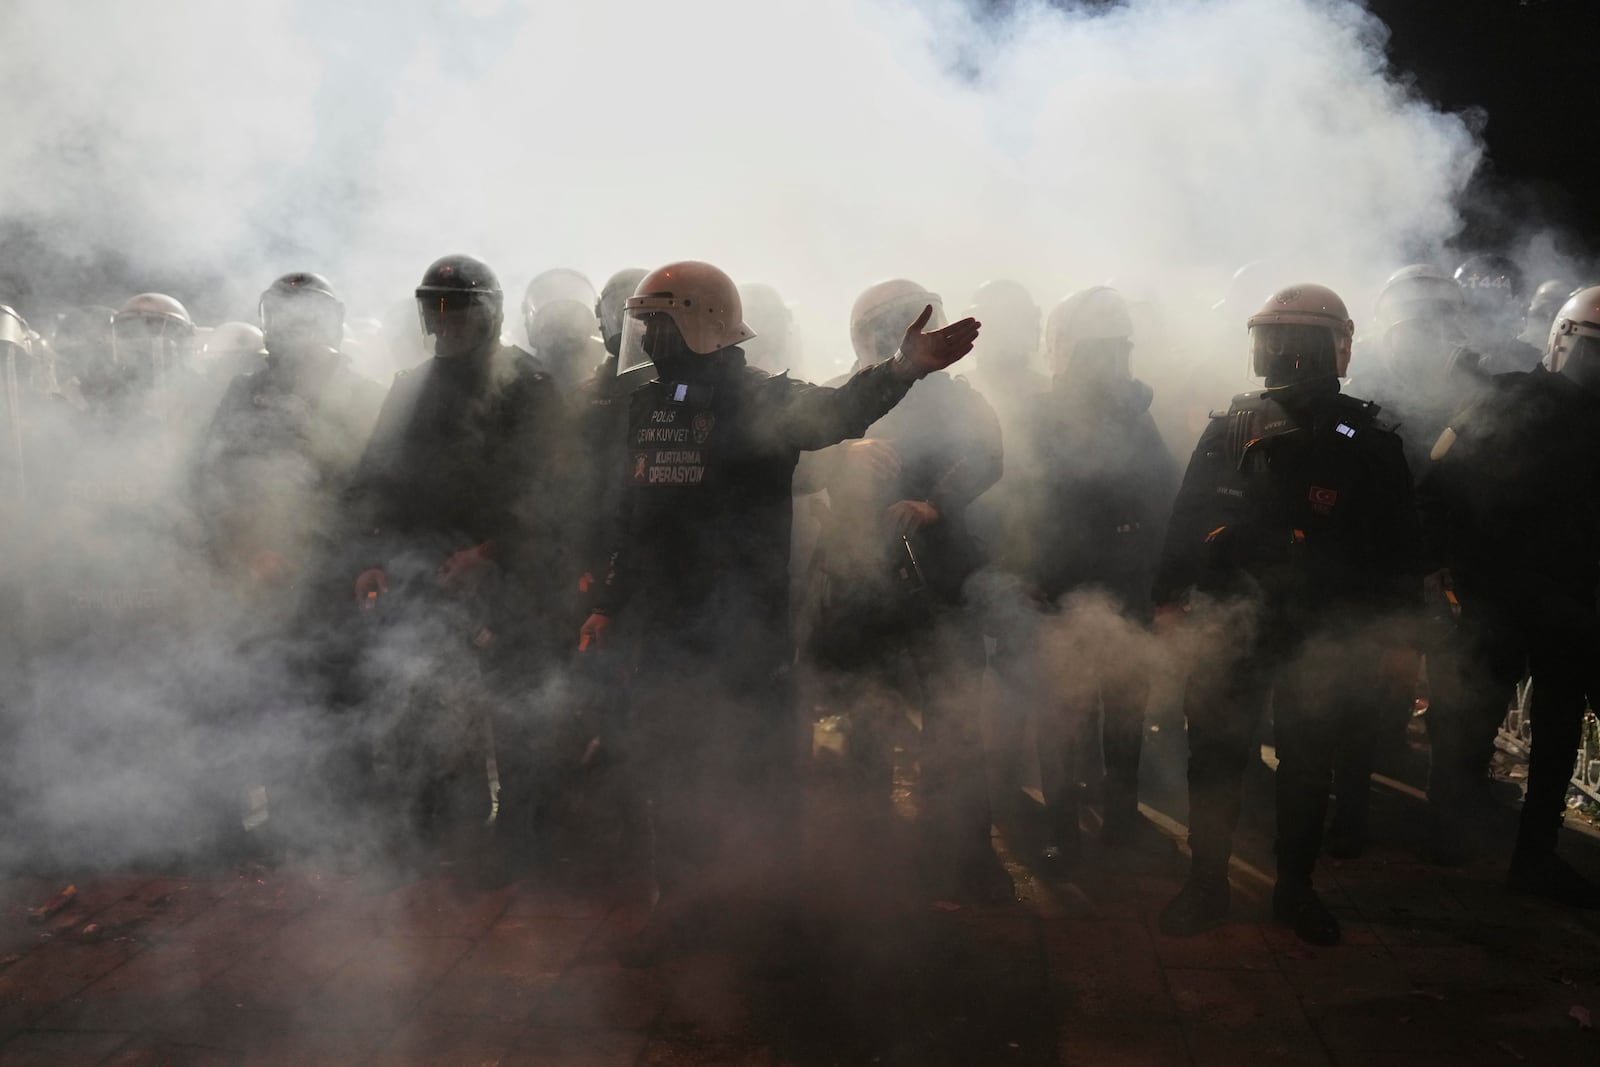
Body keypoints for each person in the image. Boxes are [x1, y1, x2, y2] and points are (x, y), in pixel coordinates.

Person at [578, 260, 980, 959]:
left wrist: (903, 368)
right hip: (666, 634)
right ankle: (681, 907)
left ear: (697, 323)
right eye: (642, 327)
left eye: (656, 324)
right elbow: (637, 519)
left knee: (756, 775)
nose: (646, 339)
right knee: (670, 775)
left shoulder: (760, 399)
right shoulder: (648, 405)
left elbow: (840, 411)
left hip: (744, 634)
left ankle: (771, 920)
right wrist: (611, 603)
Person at [1154, 284, 1419, 945]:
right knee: (1217, 755)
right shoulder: (1231, 428)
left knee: (1305, 762)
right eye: (1283, 343)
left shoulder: (1368, 441)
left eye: (1297, 344)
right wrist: (1168, 598)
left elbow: (1397, 547)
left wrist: (1399, 637)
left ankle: (1293, 887)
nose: (1288, 357)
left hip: (1321, 630)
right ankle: (1208, 882)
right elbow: (1187, 521)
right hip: (1233, 619)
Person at [345, 254, 569, 854]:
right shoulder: (410, 385)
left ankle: (521, 843)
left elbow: (552, 491)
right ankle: (443, 837)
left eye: (458, 311)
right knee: (427, 710)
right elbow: (375, 481)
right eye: (434, 311)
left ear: (488, 314)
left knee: (513, 715)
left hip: (505, 579)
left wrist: (489, 553)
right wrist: (369, 557)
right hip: (422, 575)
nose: (444, 324)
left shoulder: (529, 383)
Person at [801, 277, 1006, 902]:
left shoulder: (960, 400)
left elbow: (988, 456)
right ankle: (871, 853)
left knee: (956, 721)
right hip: (863, 581)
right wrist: (848, 454)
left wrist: (934, 504)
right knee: (866, 718)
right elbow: (797, 455)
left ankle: (966, 854)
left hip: (940, 579)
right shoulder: (847, 394)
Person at [1417, 285, 1600, 904]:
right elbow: (1443, 488)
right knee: (1511, 724)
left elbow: (1440, 484)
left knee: (1517, 723)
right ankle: (1502, 845)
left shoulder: (1506, 397)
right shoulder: (1505, 398)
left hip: (1536, 598)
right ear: (1561, 343)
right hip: (1521, 597)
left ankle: (1484, 841)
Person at [995, 286, 1178, 862]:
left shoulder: (1133, 412)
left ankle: (1101, 825)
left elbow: (1159, 500)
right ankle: (1069, 831)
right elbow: (1022, 503)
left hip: (1109, 583)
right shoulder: (1049, 415)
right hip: (1069, 586)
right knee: (1076, 712)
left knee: (1108, 709)